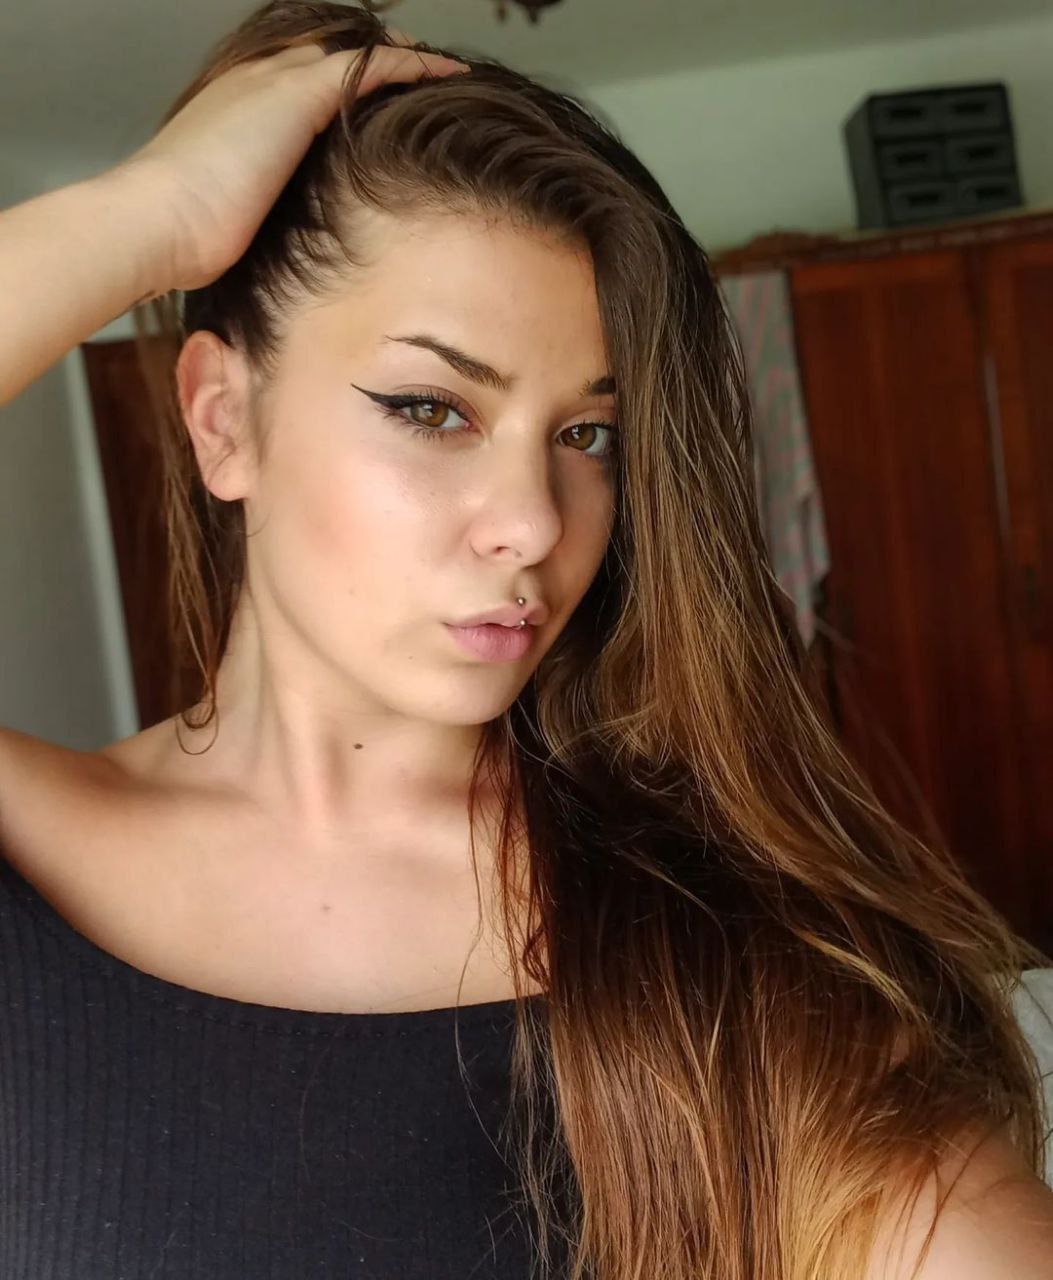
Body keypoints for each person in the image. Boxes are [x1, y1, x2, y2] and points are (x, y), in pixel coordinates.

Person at [0, 2, 1051, 1277]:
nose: (535, 520)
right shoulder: (30, 848)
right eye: (432, 407)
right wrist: (152, 213)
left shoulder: (708, 934)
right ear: (223, 421)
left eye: (587, 435)